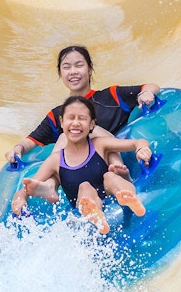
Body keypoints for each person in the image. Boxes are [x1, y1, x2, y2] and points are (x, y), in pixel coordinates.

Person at [4, 45, 161, 174]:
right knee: (64, 138)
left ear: (90, 69)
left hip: (117, 161)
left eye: (79, 65)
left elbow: (151, 86)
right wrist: (18, 149)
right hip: (83, 174)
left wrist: (146, 93)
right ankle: (51, 183)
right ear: (60, 73)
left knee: (86, 131)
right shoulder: (58, 114)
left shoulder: (111, 96)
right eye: (66, 67)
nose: (73, 71)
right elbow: (31, 140)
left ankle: (118, 175)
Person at [10, 96, 152, 235]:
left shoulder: (100, 144)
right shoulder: (55, 160)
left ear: (91, 124)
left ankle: (129, 199)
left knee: (110, 176)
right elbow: (26, 188)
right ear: (62, 122)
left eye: (82, 118)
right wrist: (20, 198)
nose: (76, 123)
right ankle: (95, 214)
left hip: (112, 194)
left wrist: (141, 149)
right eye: (70, 118)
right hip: (86, 202)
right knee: (84, 187)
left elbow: (137, 142)